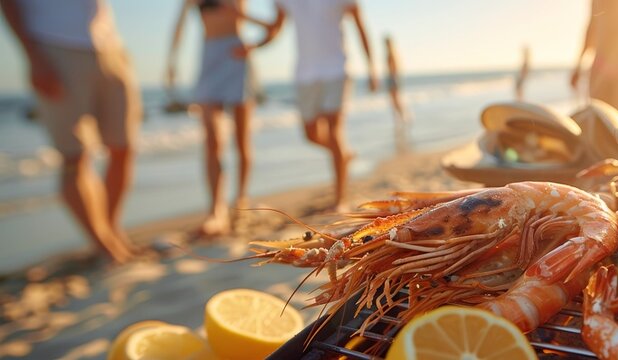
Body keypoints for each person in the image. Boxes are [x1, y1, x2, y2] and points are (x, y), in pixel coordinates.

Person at [1, 0, 141, 263]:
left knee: (123, 147)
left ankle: (112, 232)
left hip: (110, 45)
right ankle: (104, 247)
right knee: (74, 156)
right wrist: (33, 57)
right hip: (54, 46)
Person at [166, 0, 277, 235]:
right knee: (212, 139)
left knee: (242, 139)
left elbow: (270, 26)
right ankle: (216, 211)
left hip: (236, 55)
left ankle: (241, 201)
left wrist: (249, 36)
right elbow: (179, 26)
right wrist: (171, 62)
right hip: (209, 56)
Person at [270, 0, 378, 211]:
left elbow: (360, 25)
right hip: (304, 75)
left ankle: (340, 199)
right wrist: (251, 38)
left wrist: (371, 67)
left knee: (334, 130)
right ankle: (343, 155)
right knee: (310, 134)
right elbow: (275, 27)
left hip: (336, 70)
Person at [384, 35, 410, 151]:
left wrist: (392, 81)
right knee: (394, 101)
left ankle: (403, 118)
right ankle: (400, 118)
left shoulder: (391, 54)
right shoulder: (392, 54)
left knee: (395, 101)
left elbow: (393, 70)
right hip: (392, 79)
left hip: (392, 79)